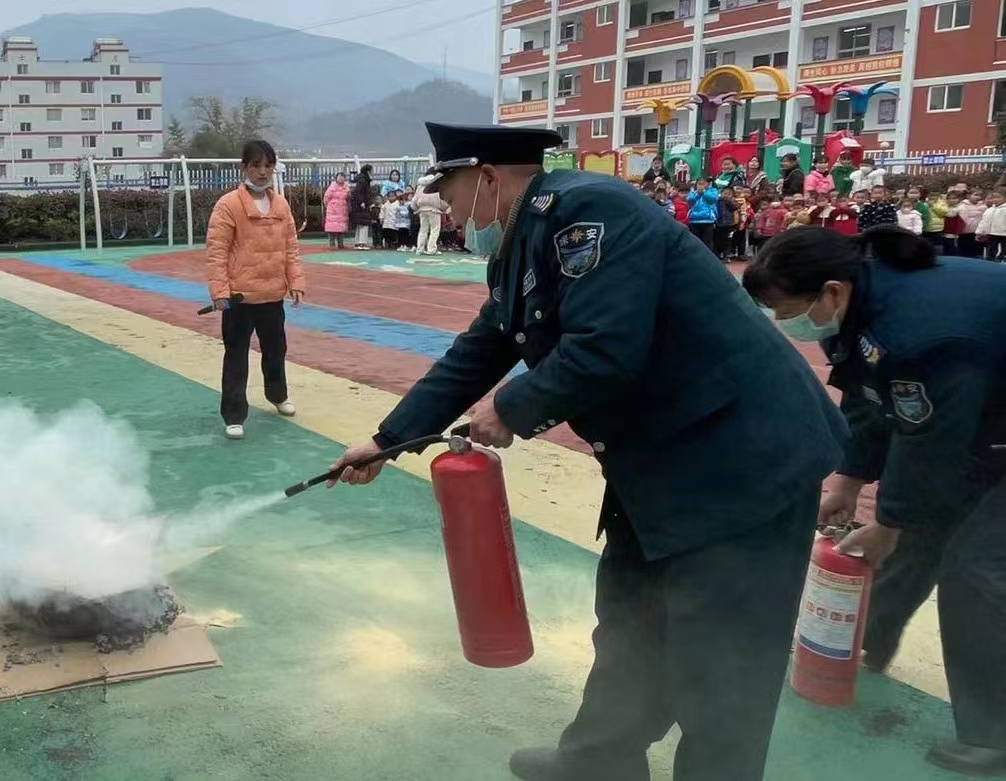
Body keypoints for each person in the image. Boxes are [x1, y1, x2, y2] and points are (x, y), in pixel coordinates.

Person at [327, 121, 848, 781]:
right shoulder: (519, 248)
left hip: (740, 463)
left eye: (451, 190)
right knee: (629, 620)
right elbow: (481, 349)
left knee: (725, 662)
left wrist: (510, 410)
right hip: (659, 462)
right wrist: (385, 439)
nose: (448, 208)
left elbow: (607, 348)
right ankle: (598, 760)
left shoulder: (587, 212)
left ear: (487, 178)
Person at [742, 225, 1006, 777]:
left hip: (977, 423)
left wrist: (889, 522)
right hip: (984, 419)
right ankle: (864, 644)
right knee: (918, 535)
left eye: (782, 309)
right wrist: (848, 481)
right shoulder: (856, 309)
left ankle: (994, 735)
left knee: (974, 569)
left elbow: (929, 438)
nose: (781, 322)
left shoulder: (922, 332)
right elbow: (868, 398)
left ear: (830, 291)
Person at [205, 139, 305, 441]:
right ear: (244, 168)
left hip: (272, 296)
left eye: (268, 166)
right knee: (236, 356)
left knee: (276, 351)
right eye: (256, 165)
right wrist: (219, 291)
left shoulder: (281, 204)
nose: (263, 172)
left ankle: (278, 395)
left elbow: (291, 248)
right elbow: (216, 251)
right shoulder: (228, 205)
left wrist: (296, 282)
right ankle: (234, 415)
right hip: (238, 299)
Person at [412, 168, 447, 255]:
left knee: (423, 230)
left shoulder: (420, 185)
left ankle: (420, 249)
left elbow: (414, 200)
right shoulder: (438, 184)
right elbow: (442, 199)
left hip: (422, 209)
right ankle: (431, 249)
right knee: (434, 230)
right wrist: (444, 208)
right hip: (434, 210)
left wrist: (415, 208)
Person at [686, 178, 719, 251]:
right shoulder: (693, 192)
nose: (701, 186)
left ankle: (708, 257)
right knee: (695, 240)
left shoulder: (712, 191)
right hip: (694, 220)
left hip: (708, 220)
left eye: (703, 184)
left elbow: (712, 200)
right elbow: (690, 200)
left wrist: (704, 192)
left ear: (707, 184)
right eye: (699, 184)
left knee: (707, 241)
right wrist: (697, 194)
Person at [322, 172, 350, 249]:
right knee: (331, 227)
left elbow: (348, 198)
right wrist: (330, 206)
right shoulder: (332, 187)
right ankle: (332, 244)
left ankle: (341, 243)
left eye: (342, 177)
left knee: (341, 227)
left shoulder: (346, 188)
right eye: (339, 177)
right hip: (332, 209)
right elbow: (326, 198)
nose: (341, 179)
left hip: (342, 209)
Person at [977, 188, 1006, 261]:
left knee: (1003, 250)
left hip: (1003, 234)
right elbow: (983, 221)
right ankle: (991, 260)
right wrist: (979, 232)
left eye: (998, 197)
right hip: (991, 233)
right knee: (992, 248)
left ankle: (1001, 260)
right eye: (994, 198)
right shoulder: (989, 210)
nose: (995, 200)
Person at [350, 164, 375, 250]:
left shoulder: (361, 179)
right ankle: (362, 243)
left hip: (359, 206)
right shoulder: (363, 180)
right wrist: (362, 202)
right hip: (362, 205)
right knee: (364, 224)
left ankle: (357, 242)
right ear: (368, 171)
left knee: (360, 224)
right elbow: (358, 192)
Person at [957, 190, 987, 258]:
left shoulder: (984, 206)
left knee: (978, 254)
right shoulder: (962, 205)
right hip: (965, 233)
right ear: (968, 196)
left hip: (978, 233)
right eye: (976, 195)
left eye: (980, 195)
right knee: (965, 254)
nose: (978, 197)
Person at [714, 186, 738, 261]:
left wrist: (728, 201)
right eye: (725, 193)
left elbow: (735, 207)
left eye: (729, 194)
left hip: (728, 224)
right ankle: (717, 254)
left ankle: (726, 255)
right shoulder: (717, 201)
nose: (726, 195)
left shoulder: (732, 202)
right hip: (719, 223)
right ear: (721, 193)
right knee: (717, 240)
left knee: (727, 241)